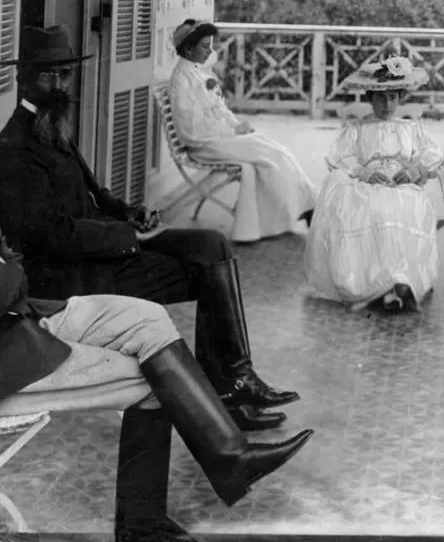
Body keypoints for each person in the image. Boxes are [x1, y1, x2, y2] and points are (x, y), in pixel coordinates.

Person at [0, 25, 297, 432]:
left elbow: (93, 192)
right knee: (206, 271)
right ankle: (228, 391)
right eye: (47, 75)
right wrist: (128, 237)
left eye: (64, 74)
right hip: (71, 275)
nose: (57, 84)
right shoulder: (14, 148)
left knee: (212, 244)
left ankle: (238, 379)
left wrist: (129, 212)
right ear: (23, 79)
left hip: (103, 244)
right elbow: (51, 236)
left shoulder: (50, 126)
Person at [0, 232, 313, 542]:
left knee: (149, 318)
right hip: (8, 358)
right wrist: (9, 267)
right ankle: (142, 525)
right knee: (155, 376)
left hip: (20, 321)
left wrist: (8, 267)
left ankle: (232, 455)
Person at [304, 57, 444, 312]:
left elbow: (433, 155)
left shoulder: (411, 128)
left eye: (393, 97)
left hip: (402, 185)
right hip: (367, 183)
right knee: (369, 209)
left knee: (405, 207)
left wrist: (414, 169)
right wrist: (363, 172)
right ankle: (372, 282)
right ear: (370, 98)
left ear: (401, 97)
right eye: (380, 98)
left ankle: (402, 281)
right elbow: (338, 156)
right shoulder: (358, 128)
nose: (387, 104)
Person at [167, 19, 316, 243]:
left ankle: (302, 206)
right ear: (188, 49)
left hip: (219, 138)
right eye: (204, 46)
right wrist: (225, 129)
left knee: (277, 150)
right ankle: (301, 210)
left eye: (211, 45)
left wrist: (236, 126)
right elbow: (189, 130)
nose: (211, 51)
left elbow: (219, 107)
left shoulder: (198, 73)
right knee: (270, 156)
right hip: (204, 145)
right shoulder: (181, 81)